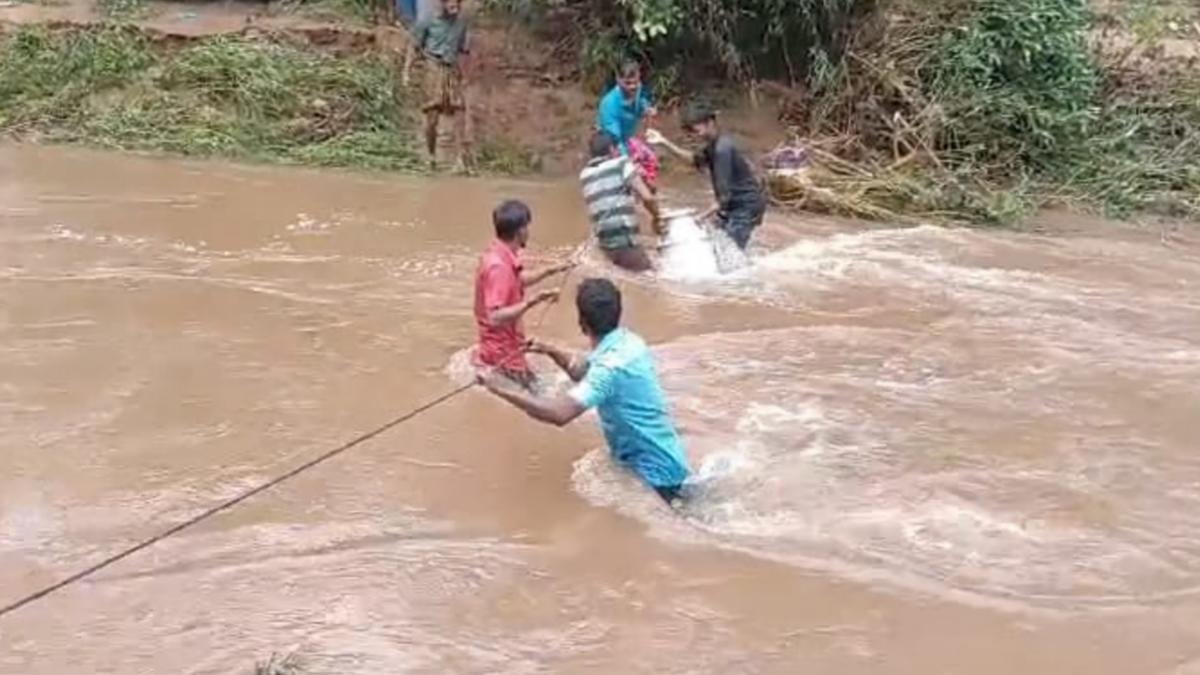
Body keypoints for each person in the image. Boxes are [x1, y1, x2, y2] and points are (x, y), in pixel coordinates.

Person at [477, 278, 692, 506]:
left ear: (582, 323)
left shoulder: (608, 370)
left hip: (655, 478)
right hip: (669, 462)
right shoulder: (629, 343)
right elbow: (586, 373)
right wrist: (548, 349)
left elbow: (559, 414)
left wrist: (499, 387)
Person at [474, 200, 573, 391]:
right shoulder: (498, 267)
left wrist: (553, 269)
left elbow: (517, 281)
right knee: (537, 398)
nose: (529, 231)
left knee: (536, 389)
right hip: (502, 351)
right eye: (527, 226)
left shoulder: (499, 253)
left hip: (505, 346)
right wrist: (533, 301)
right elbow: (495, 318)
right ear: (520, 231)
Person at [652, 102, 767, 251]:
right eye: (691, 132)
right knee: (720, 248)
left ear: (710, 122)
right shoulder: (714, 145)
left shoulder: (722, 150)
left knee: (728, 252)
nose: (694, 135)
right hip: (737, 205)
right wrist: (664, 142)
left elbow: (723, 197)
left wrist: (700, 217)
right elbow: (694, 160)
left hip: (745, 207)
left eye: (696, 130)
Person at [579, 131, 664, 273]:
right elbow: (648, 197)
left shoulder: (584, 175)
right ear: (612, 149)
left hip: (604, 240)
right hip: (624, 237)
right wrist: (657, 218)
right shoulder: (621, 163)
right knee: (651, 276)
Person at [403, 0, 472, 172]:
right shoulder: (427, 21)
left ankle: (460, 160)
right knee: (432, 114)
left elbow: (463, 51)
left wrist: (466, 74)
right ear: (442, 4)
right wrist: (406, 72)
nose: (455, 7)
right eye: (451, 3)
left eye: (457, 4)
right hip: (433, 67)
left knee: (459, 111)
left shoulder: (461, 24)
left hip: (452, 68)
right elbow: (414, 46)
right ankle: (430, 156)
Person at [596, 60, 660, 191]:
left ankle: (643, 195)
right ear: (618, 80)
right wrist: (632, 165)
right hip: (611, 147)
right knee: (637, 180)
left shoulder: (637, 91)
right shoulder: (609, 104)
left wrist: (647, 109)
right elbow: (616, 141)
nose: (632, 87)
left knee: (651, 159)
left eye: (635, 82)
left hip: (628, 141)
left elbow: (641, 103)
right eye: (628, 83)